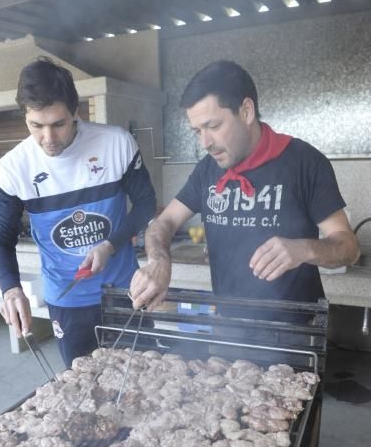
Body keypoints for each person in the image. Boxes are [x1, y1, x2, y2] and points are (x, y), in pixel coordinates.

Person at [130, 60, 359, 313]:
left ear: (247, 111)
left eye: (214, 126)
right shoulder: (207, 170)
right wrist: (159, 262)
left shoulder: (304, 162)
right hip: (229, 331)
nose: (205, 142)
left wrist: (302, 249)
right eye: (197, 131)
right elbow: (164, 223)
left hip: (296, 334)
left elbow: (348, 248)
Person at [0, 56, 156, 366]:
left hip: (125, 291)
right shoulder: (13, 168)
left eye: (58, 124)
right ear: (24, 116)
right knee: (80, 389)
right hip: (67, 301)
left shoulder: (116, 143)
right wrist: (10, 289)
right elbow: (0, 240)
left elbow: (146, 204)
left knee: (144, 378)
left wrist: (110, 244)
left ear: (75, 112)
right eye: (36, 126)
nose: (48, 139)